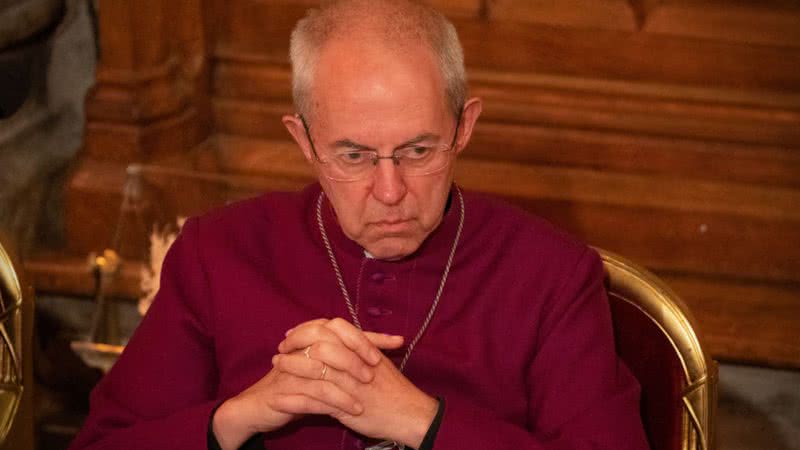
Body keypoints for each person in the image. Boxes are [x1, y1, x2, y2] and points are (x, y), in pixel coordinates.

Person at [70, 1, 649, 449]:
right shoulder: (218, 253)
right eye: (353, 157)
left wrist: (422, 421)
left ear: (463, 128)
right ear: (303, 140)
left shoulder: (552, 274)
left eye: (419, 151)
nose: (391, 192)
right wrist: (237, 418)